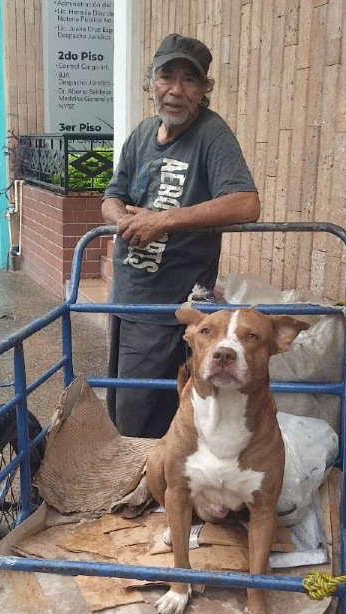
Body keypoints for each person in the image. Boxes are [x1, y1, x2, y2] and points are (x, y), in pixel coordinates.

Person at [100, 33, 260, 439]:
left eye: (189, 80)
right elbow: (112, 196)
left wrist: (163, 220)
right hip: (127, 296)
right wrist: (123, 220)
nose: (175, 90)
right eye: (166, 76)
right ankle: (140, 484)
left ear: (204, 89)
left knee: (145, 416)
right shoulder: (141, 134)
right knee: (122, 404)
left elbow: (246, 203)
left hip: (171, 306)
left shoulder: (211, 134)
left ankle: (145, 493)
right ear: (151, 81)